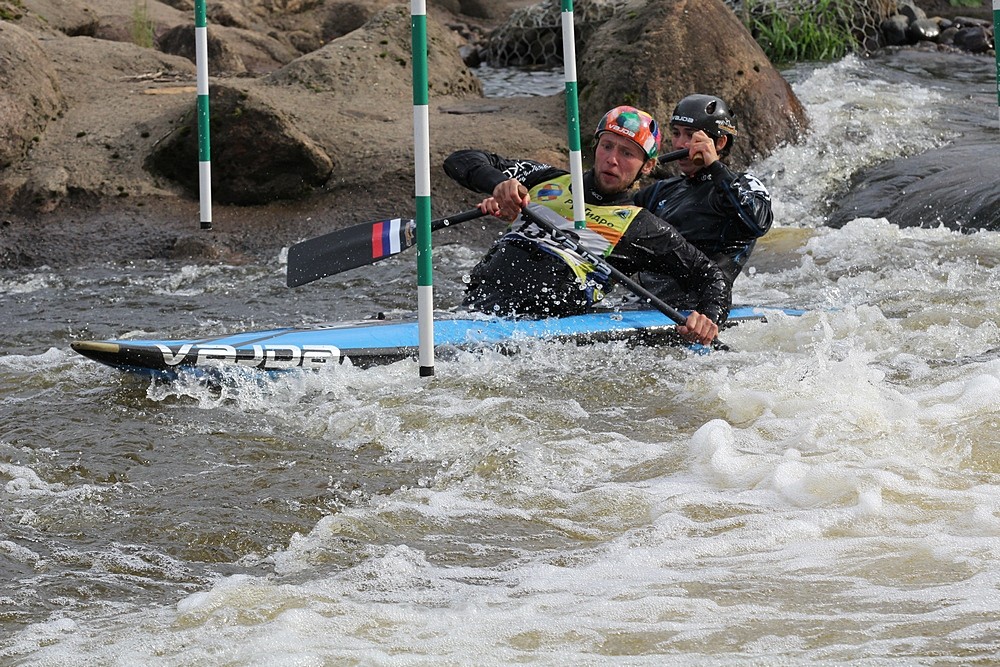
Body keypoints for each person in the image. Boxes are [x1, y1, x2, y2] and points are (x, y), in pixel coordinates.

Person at [442, 105, 730, 346]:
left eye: (627, 153)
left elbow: (710, 276)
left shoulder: (641, 227)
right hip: (474, 311)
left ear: (647, 166)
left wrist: (708, 318)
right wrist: (499, 184)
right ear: (596, 146)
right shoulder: (545, 178)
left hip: (539, 334)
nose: (612, 160)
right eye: (607, 146)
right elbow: (459, 160)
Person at [633, 94, 773, 308]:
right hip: (639, 302)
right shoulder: (662, 190)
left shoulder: (742, 184)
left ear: (720, 142)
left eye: (690, 135)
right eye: (676, 133)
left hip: (698, 307)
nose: (680, 143)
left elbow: (758, 222)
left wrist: (715, 166)